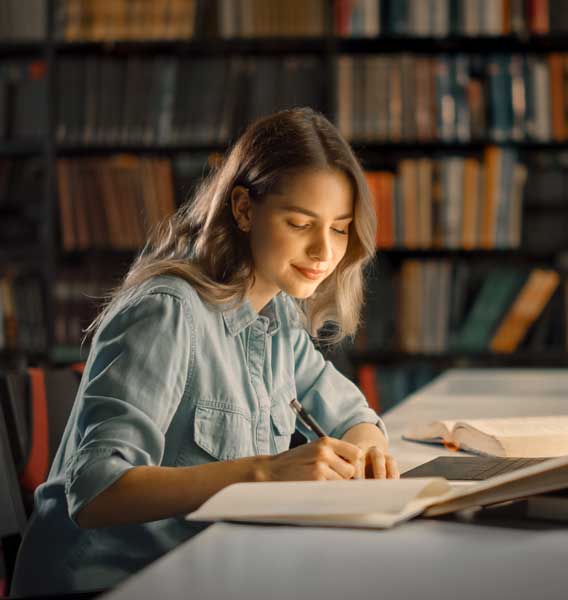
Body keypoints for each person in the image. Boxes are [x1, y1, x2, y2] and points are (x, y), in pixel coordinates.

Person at [11, 107, 399, 596]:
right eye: (301, 223)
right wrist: (264, 474)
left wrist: (368, 451)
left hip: (204, 574)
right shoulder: (165, 313)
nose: (324, 250)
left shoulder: (275, 315)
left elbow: (350, 414)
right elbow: (95, 492)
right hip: (106, 585)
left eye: (340, 228)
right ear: (243, 209)